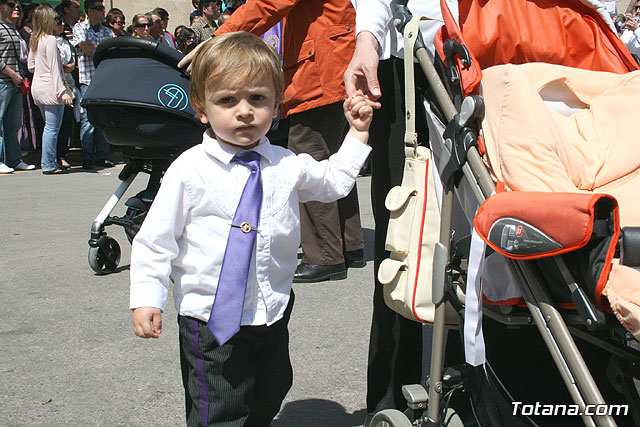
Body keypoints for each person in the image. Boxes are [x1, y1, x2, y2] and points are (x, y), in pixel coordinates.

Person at [130, 31, 373, 426]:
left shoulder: (285, 163)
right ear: (202, 108)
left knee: (270, 389)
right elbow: (156, 240)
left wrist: (358, 133)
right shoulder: (189, 170)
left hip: (270, 310)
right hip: (210, 317)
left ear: (276, 105)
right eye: (227, 100)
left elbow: (332, 182)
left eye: (257, 99)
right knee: (220, 404)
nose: (244, 111)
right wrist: (147, 296)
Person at [184, 0, 367, 283]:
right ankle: (348, 244)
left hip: (319, 63)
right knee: (329, 155)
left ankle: (325, 255)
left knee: (308, 154)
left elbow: (268, 4)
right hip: (333, 56)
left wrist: (218, 38)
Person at [343, 0, 447, 424]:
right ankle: (391, 394)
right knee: (399, 239)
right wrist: (366, 38)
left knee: (485, 234)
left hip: (500, 54)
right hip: (408, 59)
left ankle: (476, 382)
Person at [28, 5, 73, 175]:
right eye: (54, 19)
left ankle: (49, 161)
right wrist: (62, 91)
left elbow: (31, 66)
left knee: (49, 127)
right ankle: (48, 163)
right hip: (51, 88)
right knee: (53, 128)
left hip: (38, 86)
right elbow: (54, 69)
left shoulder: (35, 38)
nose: (57, 22)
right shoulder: (51, 40)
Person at [71, 0, 113, 170]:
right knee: (88, 119)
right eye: (99, 8)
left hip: (104, 79)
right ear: (89, 10)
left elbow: (111, 52)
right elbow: (86, 50)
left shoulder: (107, 30)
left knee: (103, 119)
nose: (103, 11)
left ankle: (102, 155)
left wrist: (95, 48)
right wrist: (100, 49)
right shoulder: (80, 28)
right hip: (88, 79)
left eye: (103, 7)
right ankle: (87, 156)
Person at [0, 0, 35, 173]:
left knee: (12, 125)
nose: (15, 8)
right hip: (3, 81)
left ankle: (13, 159)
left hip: (16, 81)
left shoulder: (12, 27)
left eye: (17, 6)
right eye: (10, 4)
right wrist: (11, 74)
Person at [54, 10, 75, 168]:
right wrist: (62, 67)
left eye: (62, 22)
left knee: (68, 121)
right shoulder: (48, 41)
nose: (61, 25)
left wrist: (69, 66)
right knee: (54, 125)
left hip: (68, 83)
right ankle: (54, 156)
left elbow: (72, 60)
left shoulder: (64, 41)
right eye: (57, 22)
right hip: (55, 85)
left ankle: (62, 153)